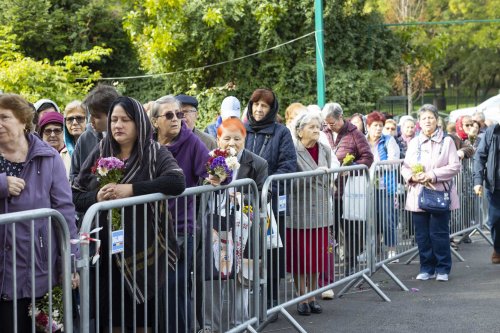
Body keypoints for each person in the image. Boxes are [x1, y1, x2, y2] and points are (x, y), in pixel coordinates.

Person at [72, 96, 186, 331]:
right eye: (114, 120)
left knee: (142, 319)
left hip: (144, 251)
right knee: (110, 318)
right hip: (107, 254)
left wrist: (131, 190)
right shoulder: (101, 150)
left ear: (139, 123)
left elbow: (177, 182)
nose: (118, 125)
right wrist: (97, 197)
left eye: (125, 120)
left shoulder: (153, 151)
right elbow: (75, 195)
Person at [0, 93, 80, 332]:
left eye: (4, 117)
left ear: (24, 120)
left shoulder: (49, 157)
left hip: (39, 268)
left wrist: (70, 261)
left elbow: (64, 211)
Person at [203, 117, 268, 331]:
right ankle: (212, 325)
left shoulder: (258, 163)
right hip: (214, 225)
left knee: (242, 279)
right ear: (218, 138)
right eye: (227, 138)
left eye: (237, 138)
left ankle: (240, 324)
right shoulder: (209, 160)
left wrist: (239, 196)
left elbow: (260, 197)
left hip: (244, 228)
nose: (232, 143)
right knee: (213, 278)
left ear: (245, 139)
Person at [244, 88, 297, 311]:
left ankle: (271, 299)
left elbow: (288, 165)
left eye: (264, 105)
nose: (259, 109)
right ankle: (245, 302)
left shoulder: (281, 132)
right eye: (256, 104)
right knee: (245, 250)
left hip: (270, 202)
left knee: (271, 250)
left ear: (271, 108)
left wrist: (267, 190)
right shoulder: (242, 129)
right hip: (243, 202)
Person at [401, 104, 460, 282]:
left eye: (431, 117)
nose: (428, 121)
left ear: (437, 120)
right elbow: (405, 166)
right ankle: (426, 267)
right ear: (419, 122)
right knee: (422, 235)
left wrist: (432, 175)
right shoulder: (414, 142)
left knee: (439, 233)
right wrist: (413, 176)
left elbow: (454, 166)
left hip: (439, 193)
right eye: (424, 118)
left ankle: (442, 268)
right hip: (417, 194)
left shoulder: (447, 141)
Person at [288, 112, 338, 316]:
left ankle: (312, 295)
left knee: (318, 257)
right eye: (311, 127)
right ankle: (301, 296)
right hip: (300, 211)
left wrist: (329, 177)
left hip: (322, 212)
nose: (317, 130)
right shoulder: (293, 150)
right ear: (300, 131)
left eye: (318, 127)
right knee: (301, 258)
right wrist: (312, 175)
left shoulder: (325, 149)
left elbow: (330, 176)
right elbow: (289, 182)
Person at [322, 102, 373, 275]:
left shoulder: (355, 134)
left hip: (348, 190)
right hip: (328, 190)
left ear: (340, 117)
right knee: (332, 227)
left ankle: (350, 263)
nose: (329, 126)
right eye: (326, 123)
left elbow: (368, 157)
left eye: (332, 123)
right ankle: (332, 260)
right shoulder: (324, 133)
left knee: (351, 227)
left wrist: (351, 168)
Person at [366, 111, 401, 262]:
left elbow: (393, 161)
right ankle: (370, 249)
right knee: (369, 219)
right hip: (367, 186)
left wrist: (376, 167)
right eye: (375, 126)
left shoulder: (389, 140)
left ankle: (391, 249)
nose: (379, 129)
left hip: (386, 186)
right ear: (368, 127)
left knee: (388, 218)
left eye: (381, 126)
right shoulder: (363, 140)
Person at [70, 84, 120, 182]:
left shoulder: (126, 140)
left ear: (112, 114)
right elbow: (73, 176)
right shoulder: (85, 138)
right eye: (90, 115)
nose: (91, 120)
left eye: (96, 116)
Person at [473, 123, 500, 264]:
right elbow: (479, 157)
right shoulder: (492, 132)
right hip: (496, 187)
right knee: (495, 221)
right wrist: (478, 181)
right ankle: (498, 249)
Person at [38, 111, 71, 177]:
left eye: (57, 130)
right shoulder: (35, 157)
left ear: (64, 133)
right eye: (48, 131)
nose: (52, 135)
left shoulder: (72, 155)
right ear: (41, 134)